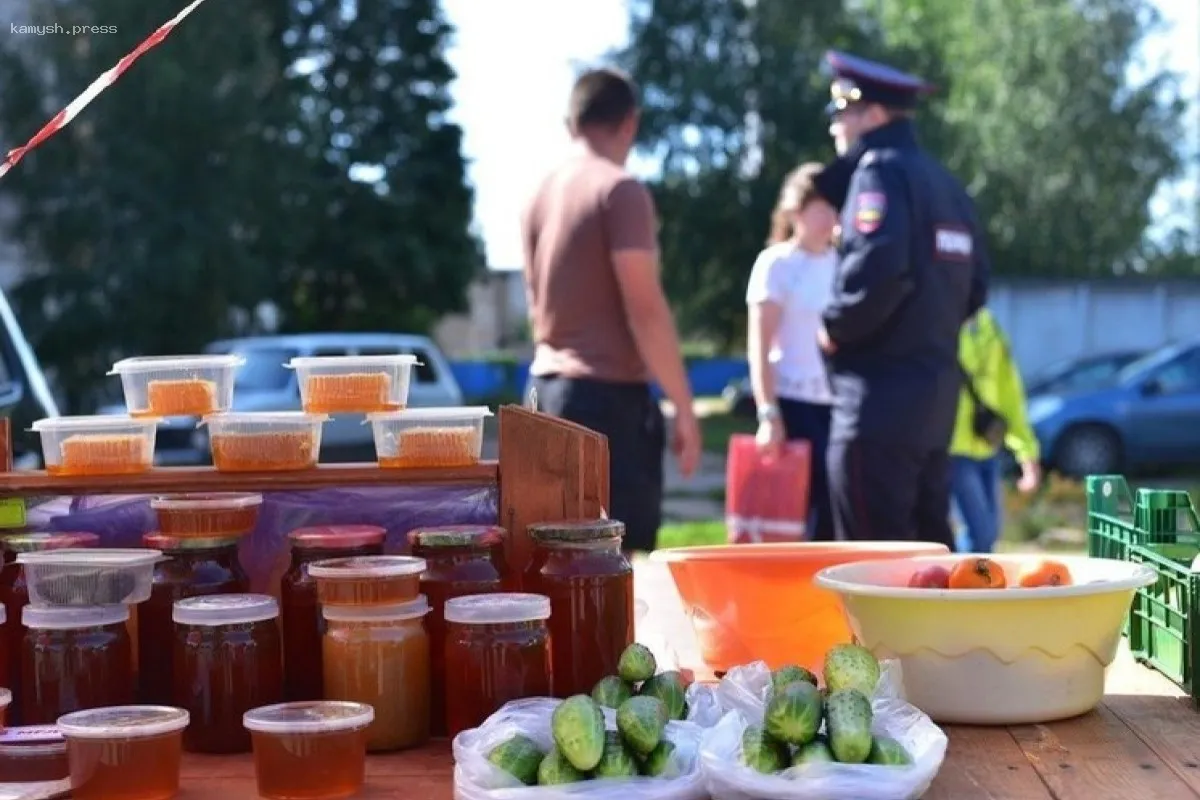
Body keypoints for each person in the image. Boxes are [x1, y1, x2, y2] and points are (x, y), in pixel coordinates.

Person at [521, 67, 701, 555]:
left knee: (545, 561)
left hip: (542, 396)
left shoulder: (537, 196)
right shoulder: (620, 190)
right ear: (630, 124)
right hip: (604, 403)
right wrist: (684, 407)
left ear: (572, 123)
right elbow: (644, 307)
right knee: (616, 570)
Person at [813, 51, 990, 548]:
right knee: (931, 552)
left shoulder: (878, 173)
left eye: (843, 113)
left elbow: (878, 272)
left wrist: (834, 327)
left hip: (877, 405)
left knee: (873, 562)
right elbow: (976, 288)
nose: (836, 128)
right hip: (934, 404)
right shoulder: (948, 185)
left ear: (872, 115)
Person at [745, 163, 840, 541]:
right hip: (793, 403)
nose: (829, 218)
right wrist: (769, 413)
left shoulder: (846, 262)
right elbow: (760, 345)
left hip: (838, 404)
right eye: (820, 208)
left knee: (834, 514)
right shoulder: (776, 264)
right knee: (796, 517)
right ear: (796, 212)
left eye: (834, 208)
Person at [951, 307, 1041, 552]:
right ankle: (962, 582)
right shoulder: (937, 321)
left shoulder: (989, 327)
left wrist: (1027, 456)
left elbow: (1010, 394)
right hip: (951, 452)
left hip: (986, 448)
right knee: (979, 534)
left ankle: (970, 583)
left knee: (988, 535)